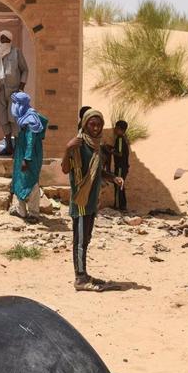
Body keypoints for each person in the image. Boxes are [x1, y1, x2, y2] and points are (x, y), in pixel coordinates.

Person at [61, 109, 124, 292]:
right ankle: (80, 279)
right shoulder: (78, 144)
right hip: (80, 202)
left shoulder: (97, 145)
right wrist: (67, 148)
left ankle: (84, 273)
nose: (96, 128)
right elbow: (65, 169)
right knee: (79, 241)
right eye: (92, 124)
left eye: (99, 125)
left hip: (91, 202)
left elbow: (97, 173)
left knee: (86, 239)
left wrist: (113, 178)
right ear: (85, 124)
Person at [0, 30, 28, 155]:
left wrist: (21, 88)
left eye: (6, 39)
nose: (3, 42)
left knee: (13, 118)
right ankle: (8, 146)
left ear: (10, 40)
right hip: (0, 90)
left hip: (14, 91)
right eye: (1, 39)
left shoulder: (16, 52)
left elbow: (25, 70)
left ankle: (17, 147)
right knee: (2, 117)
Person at [9, 92, 47, 222]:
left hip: (30, 156)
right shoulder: (23, 116)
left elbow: (31, 141)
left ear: (22, 104)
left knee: (31, 183)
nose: (14, 106)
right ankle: (21, 211)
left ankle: (33, 213)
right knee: (19, 180)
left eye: (16, 103)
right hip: (22, 152)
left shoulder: (31, 119)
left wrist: (27, 159)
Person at [110, 120, 131, 212]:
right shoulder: (123, 138)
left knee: (118, 185)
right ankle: (121, 205)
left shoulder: (120, 139)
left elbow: (120, 153)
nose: (114, 129)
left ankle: (119, 206)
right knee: (120, 185)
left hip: (120, 167)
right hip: (123, 166)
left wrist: (110, 151)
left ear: (120, 129)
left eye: (116, 127)